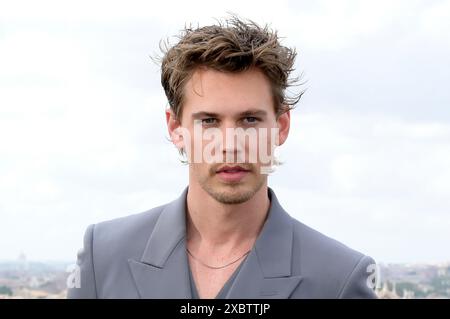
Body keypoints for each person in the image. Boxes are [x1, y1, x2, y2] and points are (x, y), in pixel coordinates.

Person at [68, 16, 377, 299]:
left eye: (250, 120)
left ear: (281, 126)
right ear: (176, 128)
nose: (231, 144)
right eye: (209, 121)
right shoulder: (103, 256)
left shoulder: (339, 280)